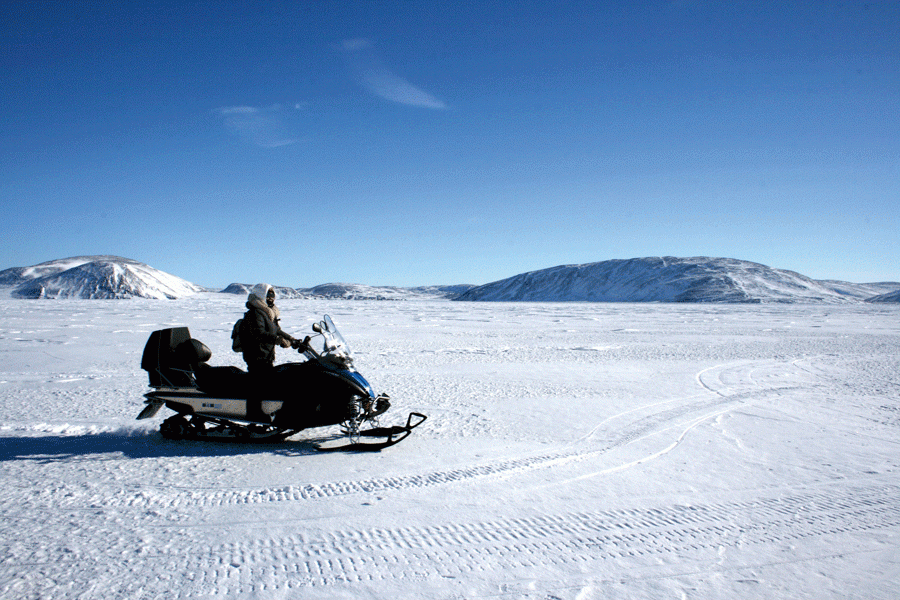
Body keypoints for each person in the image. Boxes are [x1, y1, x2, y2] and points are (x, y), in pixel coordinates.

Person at [239, 283, 297, 420]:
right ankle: (254, 414)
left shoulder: (267, 312)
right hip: (256, 355)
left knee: (268, 383)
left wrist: (291, 339)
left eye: (272, 295)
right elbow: (259, 333)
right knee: (258, 384)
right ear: (261, 295)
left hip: (266, 354)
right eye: (268, 295)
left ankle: (269, 410)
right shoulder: (255, 313)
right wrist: (278, 340)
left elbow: (276, 329)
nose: (271, 298)